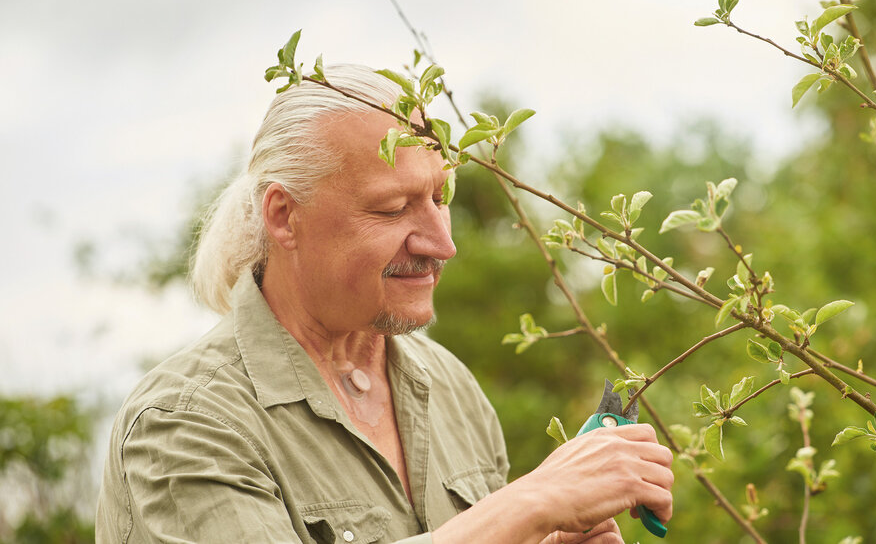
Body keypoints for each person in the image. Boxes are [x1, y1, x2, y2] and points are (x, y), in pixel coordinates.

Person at [96, 64, 674, 544]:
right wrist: (534, 500)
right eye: (392, 207)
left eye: (439, 197)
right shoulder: (186, 421)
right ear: (283, 216)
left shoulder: (448, 386)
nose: (442, 243)